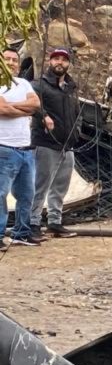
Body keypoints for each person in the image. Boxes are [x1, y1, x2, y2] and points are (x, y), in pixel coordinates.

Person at [30, 48, 80, 239]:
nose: (60, 62)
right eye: (56, 59)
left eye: (64, 60)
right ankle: (33, 223)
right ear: (50, 62)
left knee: (60, 186)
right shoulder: (39, 85)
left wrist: (78, 131)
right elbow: (34, 105)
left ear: (68, 64)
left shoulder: (70, 88)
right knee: (40, 185)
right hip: (45, 143)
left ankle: (55, 222)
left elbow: (77, 113)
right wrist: (44, 117)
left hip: (67, 145)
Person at [0, 48, 41, 249]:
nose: (11, 63)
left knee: (26, 194)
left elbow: (35, 105)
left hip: (26, 149)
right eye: (6, 59)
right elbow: (1, 109)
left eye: (14, 60)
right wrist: (23, 110)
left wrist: (12, 108)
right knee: (0, 194)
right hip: (4, 148)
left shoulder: (24, 83)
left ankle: (21, 233)